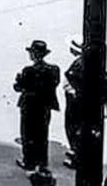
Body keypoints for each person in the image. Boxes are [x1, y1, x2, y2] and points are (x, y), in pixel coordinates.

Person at [14, 39, 61, 173]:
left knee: (28, 134)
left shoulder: (28, 70)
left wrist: (18, 81)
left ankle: (29, 161)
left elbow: (19, 87)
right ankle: (42, 162)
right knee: (42, 133)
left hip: (29, 106)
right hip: (45, 105)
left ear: (33, 54)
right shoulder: (54, 69)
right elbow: (54, 84)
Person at [62, 35, 84, 169]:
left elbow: (71, 79)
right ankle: (76, 150)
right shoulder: (82, 61)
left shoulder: (78, 64)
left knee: (73, 126)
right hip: (77, 99)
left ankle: (77, 154)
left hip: (75, 101)